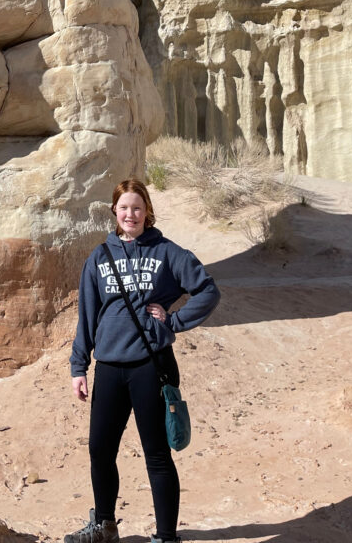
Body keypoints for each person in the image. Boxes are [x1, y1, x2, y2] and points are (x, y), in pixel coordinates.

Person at [66, 178, 220, 543]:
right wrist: (78, 367)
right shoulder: (100, 257)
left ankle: (166, 537)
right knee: (100, 449)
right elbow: (87, 315)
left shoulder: (166, 252)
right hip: (109, 367)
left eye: (137, 207)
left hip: (149, 367)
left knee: (157, 455)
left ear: (147, 211)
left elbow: (207, 290)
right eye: (123, 208)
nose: (130, 214)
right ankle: (104, 525)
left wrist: (173, 322)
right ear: (114, 213)